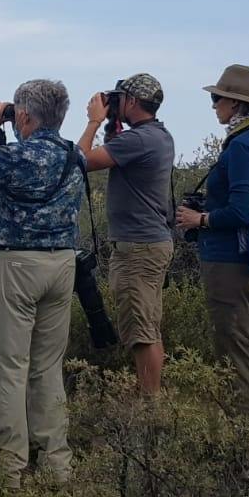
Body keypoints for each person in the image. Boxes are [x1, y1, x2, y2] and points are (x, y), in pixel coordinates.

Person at [0, 79, 83, 491]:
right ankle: (57, 463)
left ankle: (9, 468)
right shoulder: (73, 154)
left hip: (18, 266)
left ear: (23, 115)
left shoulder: (18, 156)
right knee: (47, 367)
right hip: (62, 265)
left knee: (8, 368)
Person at [174, 66, 249, 422]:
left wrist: (199, 219)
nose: (214, 105)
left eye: (216, 98)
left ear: (236, 103)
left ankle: (244, 450)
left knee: (235, 356)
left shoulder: (240, 146)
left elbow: (241, 209)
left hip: (229, 264)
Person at [77, 73, 176, 393]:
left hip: (139, 248)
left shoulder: (139, 140)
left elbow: (81, 160)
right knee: (147, 327)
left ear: (132, 101)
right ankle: (152, 399)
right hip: (148, 244)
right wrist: (113, 124)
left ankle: (150, 407)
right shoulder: (156, 135)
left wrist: (94, 122)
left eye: (119, 99)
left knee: (141, 332)